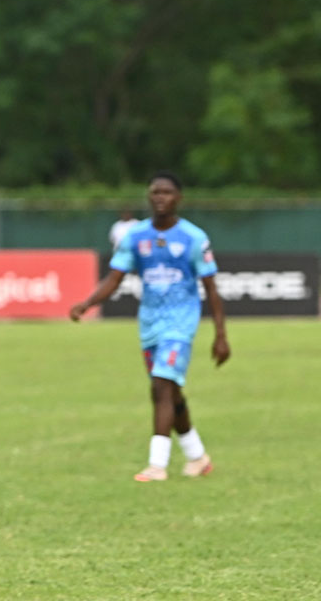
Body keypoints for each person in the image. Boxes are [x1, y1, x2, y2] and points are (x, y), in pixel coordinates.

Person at [69, 173, 231, 481]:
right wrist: (88, 302)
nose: (159, 198)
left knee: (160, 386)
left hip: (181, 323)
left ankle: (157, 465)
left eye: (167, 193)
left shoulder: (193, 238)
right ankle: (198, 457)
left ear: (178, 198)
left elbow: (211, 288)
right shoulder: (136, 236)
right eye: (154, 192)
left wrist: (221, 336)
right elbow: (114, 278)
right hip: (150, 325)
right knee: (171, 392)